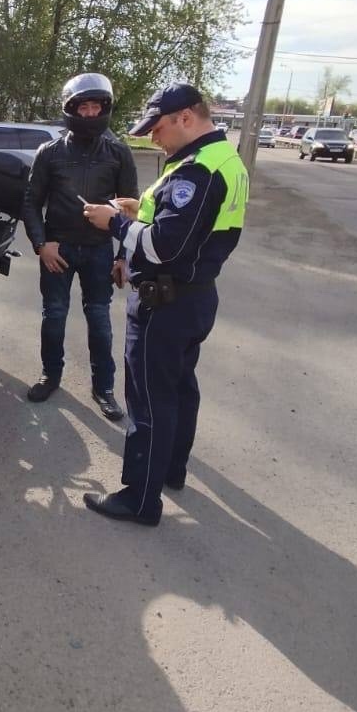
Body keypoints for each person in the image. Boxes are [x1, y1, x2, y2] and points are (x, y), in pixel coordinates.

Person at [81, 83, 248, 526]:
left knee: (149, 401)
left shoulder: (198, 171)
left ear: (185, 118)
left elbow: (163, 246)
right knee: (179, 389)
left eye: (157, 129)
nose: (154, 138)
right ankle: (171, 469)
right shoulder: (223, 159)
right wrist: (140, 208)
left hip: (164, 303)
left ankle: (140, 499)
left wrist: (114, 223)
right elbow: (191, 227)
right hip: (194, 296)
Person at [21, 72, 138, 422]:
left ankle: (104, 388)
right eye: (83, 107)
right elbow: (30, 203)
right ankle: (50, 375)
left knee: (99, 318)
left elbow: (131, 209)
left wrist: (123, 256)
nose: (90, 113)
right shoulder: (50, 152)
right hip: (58, 249)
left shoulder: (118, 152)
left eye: (96, 107)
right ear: (71, 110)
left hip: (100, 250)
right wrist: (41, 244)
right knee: (54, 315)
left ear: (104, 109)